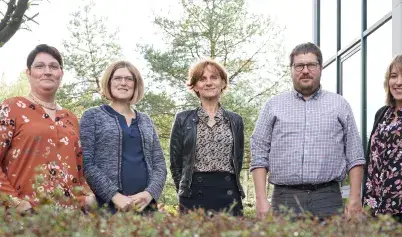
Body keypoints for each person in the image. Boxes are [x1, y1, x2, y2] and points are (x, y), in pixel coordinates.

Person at [250, 42, 365, 219]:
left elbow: (355, 155)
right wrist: (261, 199)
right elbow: (258, 153)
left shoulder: (340, 105)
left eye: (311, 65)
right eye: (299, 66)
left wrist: (355, 198)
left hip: (328, 199)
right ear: (291, 69)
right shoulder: (273, 106)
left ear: (320, 68)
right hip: (284, 199)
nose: (305, 70)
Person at [0, 44, 94, 213]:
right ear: (28, 73)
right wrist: (16, 203)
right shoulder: (12, 108)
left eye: (53, 66)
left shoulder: (70, 117)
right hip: (23, 218)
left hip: (68, 220)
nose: (47, 71)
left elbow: (80, 169)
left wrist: (87, 196)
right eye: (40, 66)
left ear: (61, 73)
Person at [80, 61, 166, 214]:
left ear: (135, 84)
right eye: (118, 78)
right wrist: (114, 195)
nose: (123, 83)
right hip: (106, 208)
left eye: (129, 79)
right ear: (109, 82)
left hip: (145, 208)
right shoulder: (92, 116)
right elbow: (87, 163)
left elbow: (159, 163)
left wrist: (149, 194)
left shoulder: (146, 120)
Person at [170, 59, 245, 216]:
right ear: (195, 86)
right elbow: (176, 164)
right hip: (192, 195)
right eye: (202, 79)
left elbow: (238, 159)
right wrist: (183, 192)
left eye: (214, 77)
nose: (208, 83)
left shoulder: (235, 120)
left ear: (223, 83)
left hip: (228, 194)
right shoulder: (182, 119)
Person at [363, 53, 402, 223]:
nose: (398, 82)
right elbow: (372, 161)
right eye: (394, 76)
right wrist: (366, 203)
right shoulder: (382, 114)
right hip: (377, 209)